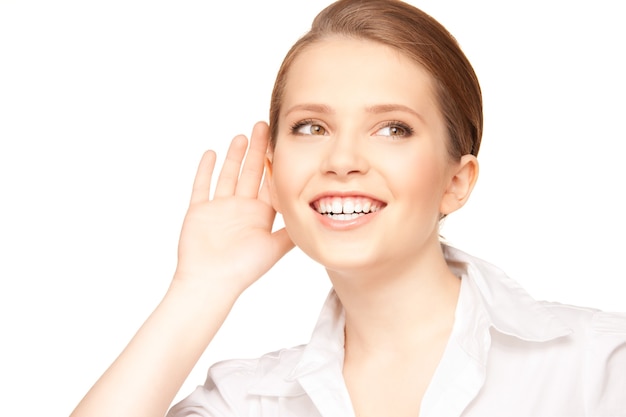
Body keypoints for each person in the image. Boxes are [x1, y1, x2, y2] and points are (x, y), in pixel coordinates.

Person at [70, 0, 626, 416]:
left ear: (456, 182)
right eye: (311, 126)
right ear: (275, 169)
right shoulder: (248, 402)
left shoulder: (600, 367)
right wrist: (201, 288)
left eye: (392, 128)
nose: (341, 158)